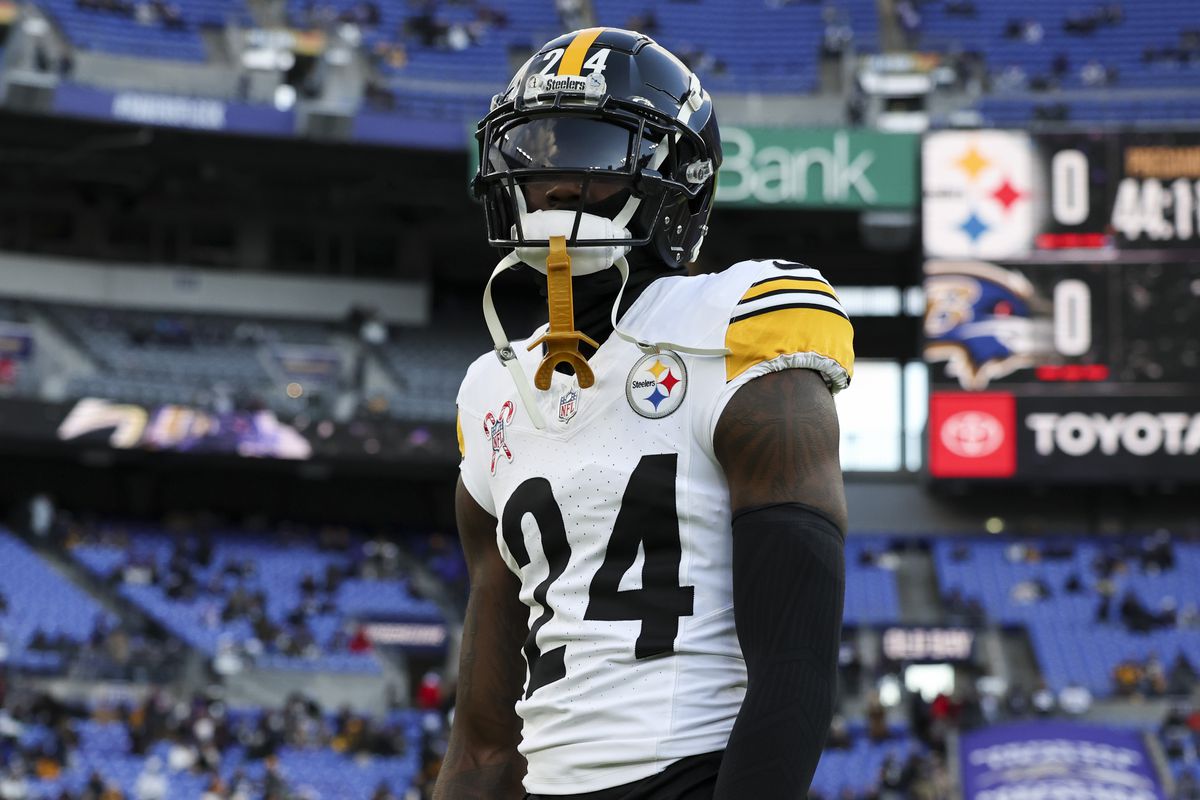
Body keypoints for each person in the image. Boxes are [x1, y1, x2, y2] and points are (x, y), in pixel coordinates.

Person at [436, 26, 853, 800]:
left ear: (676, 173)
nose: (553, 181)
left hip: (693, 778)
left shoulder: (737, 324)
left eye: (589, 148)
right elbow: (486, 741)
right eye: (533, 150)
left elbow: (794, 669)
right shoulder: (492, 391)